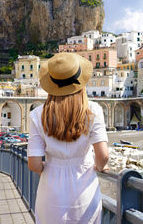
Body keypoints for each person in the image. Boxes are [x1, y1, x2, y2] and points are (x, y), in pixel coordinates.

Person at [27, 52, 109, 224]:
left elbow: (33, 164)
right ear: (80, 82)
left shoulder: (37, 115)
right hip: (85, 187)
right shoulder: (93, 110)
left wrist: (52, 167)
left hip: (50, 191)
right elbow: (103, 156)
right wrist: (99, 167)